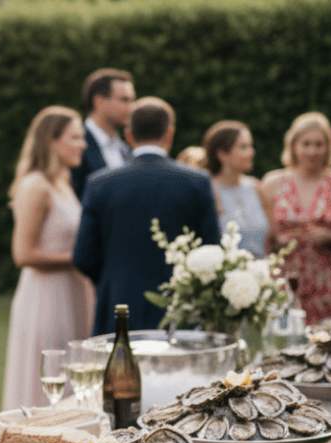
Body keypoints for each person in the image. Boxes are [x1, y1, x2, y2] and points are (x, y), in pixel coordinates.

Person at [73, 97, 220, 333]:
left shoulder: (100, 183)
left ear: (129, 135)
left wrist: (113, 277)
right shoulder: (196, 182)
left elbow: (83, 256)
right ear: (169, 133)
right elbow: (212, 249)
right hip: (179, 308)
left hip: (117, 304)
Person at [2, 106, 94, 409]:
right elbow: (23, 253)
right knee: (48, 380)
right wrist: (79, 256)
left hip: (74, 293)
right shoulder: (36, 185)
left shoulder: (63, 183)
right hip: (47, 299)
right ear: (52, 141)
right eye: (76, 138)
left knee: (74, 380)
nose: (83, 144)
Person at [261, 112, 331, 323]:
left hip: (328, 281)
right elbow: (265, 240)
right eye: (306, 144)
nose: (312, 151)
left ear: (328, 147)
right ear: (293, 146)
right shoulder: (272, 183)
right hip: (285, 280)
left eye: (319, 144)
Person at [203, 120, 270, 258]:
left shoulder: (257, 188)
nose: (251, 152)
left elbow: (272, 237)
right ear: (222, 154)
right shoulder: (208, 190)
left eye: (250, 146)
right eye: (243, 147)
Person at [70, 68, 136, 200]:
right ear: (99, 101)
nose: (132, 107)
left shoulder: (127, 148)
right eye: (124, 100)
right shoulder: (74, 145)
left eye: (132, 100)